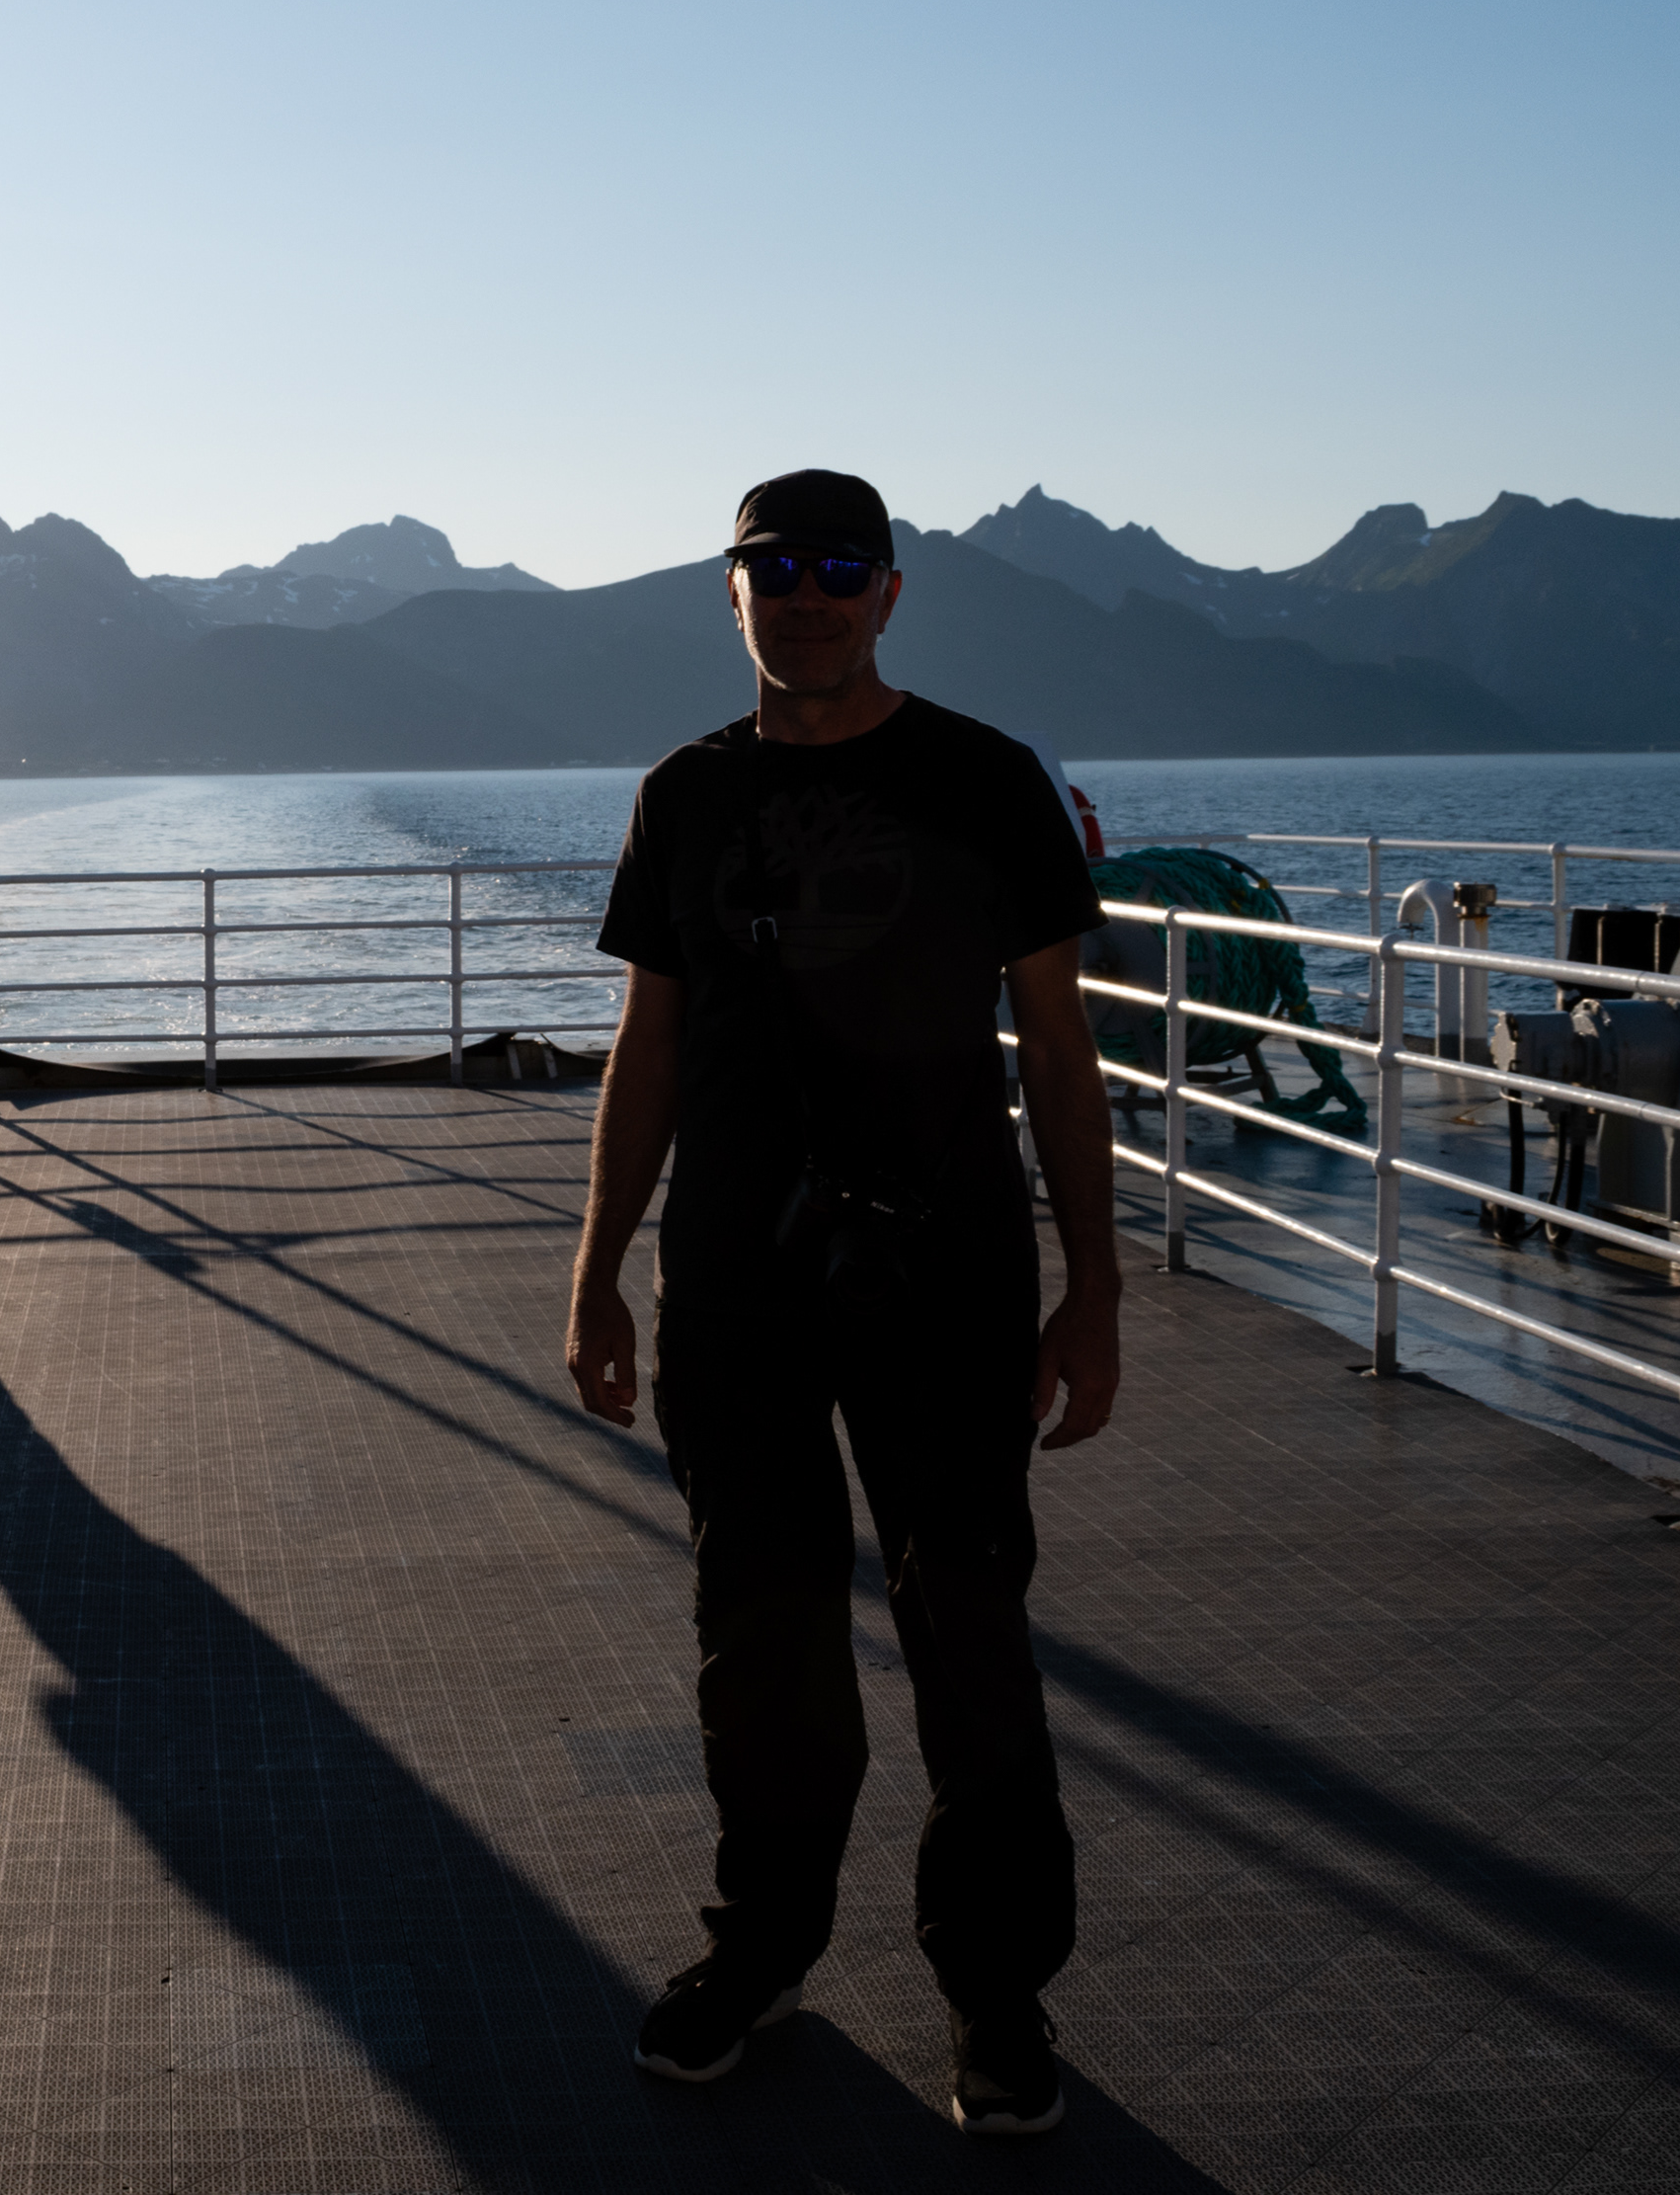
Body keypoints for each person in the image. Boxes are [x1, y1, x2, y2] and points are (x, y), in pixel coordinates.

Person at [564, 468, 1121, 2138]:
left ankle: (998, 1993)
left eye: (836, 570)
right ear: (727, 592)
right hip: (735, 1283)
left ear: (889, 592)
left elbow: (1061, 1052)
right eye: (771, 569)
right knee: (765, 1639)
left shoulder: (982, 782)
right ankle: (766, 1949)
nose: (802, 595)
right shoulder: (684, 800)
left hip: (949, 1273)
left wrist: (1095, 1290)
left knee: (972, 1634)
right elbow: (647, 1050)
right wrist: (596, 1264)